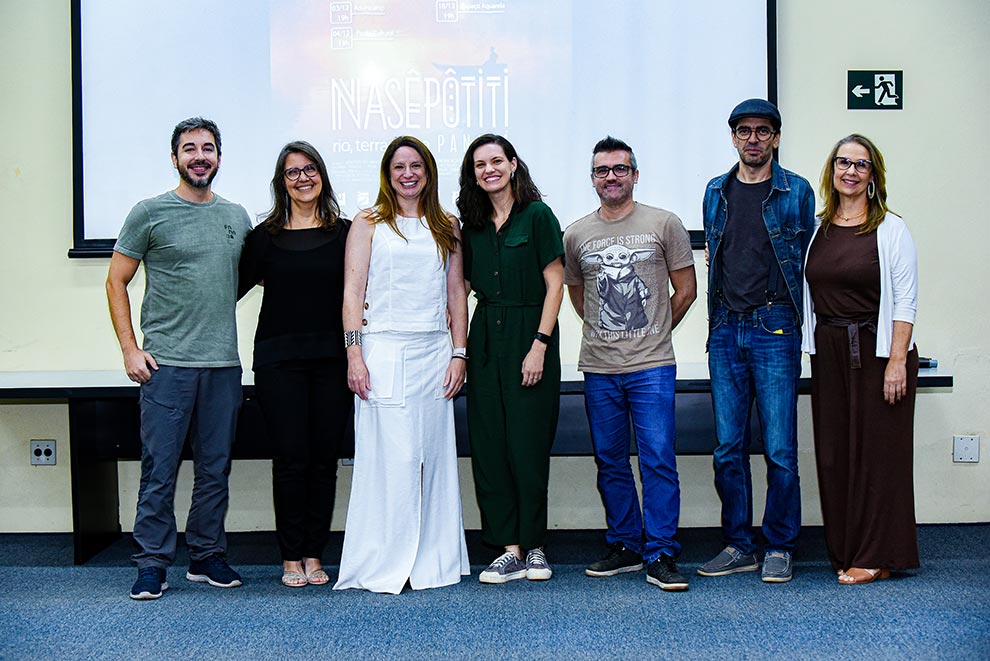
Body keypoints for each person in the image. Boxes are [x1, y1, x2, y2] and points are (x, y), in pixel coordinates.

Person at [106, 117, 251, 600]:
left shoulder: (237, 216)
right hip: (166, 366)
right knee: (159, 469)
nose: (199, 156)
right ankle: (152, 563)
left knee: (215, 469)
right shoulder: (149, 213)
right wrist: (130, 348)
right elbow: (115, 281)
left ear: (219, 157)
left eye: (208, 148)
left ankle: (206, 556)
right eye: (189, 149)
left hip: (223, 366)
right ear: (175, 158)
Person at [334, 136, 470, 594]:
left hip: (434, 353)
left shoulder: (447, 225)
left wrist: (459, 352)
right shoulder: (368, 222)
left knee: (430, 458)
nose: (408, 173)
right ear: (387, 174)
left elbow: (456, 295)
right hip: (381, 351)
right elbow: (353, 293)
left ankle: (432, 560)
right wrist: (354, 354)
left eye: (416, 166)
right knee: (389, 460)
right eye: (399, 167)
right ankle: (383, 560)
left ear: (428, 172)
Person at [563, 136, 696, 591]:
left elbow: (687, 289)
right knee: (611, 461)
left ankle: (660, 552)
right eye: (602, 170)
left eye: (620, 169)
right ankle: (625, 545)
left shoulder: (664, 224)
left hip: (652, 366)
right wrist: (608, 330)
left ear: (635, 175)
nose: (611, 177)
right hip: (599, 367)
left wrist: (655, 330)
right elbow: (578, 293)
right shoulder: (577, 233)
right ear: (593, 178)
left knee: (658, 460)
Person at [700, 99, 816, 583]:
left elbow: (810, 263)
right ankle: (738, 544)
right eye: (744, 131)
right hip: (726, 327)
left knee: (779, 448)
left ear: (776, 137)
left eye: (762, 131)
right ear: (733, 137)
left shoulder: (797, 191)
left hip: (775, 327)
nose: (753, 139)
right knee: (727, 447)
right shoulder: (715, 190)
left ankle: (780, 545)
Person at [802, 134, 919, 585]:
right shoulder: (817, 228)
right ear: (832, 171)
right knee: (834, 455)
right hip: (829, 353)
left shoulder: (891, 229)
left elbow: (905, 301)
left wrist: (896, 361)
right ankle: (848, 548)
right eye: (842, 163)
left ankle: (876, 555)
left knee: (877, 457)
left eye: (861, 165)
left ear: (873, 176)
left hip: (877, 353)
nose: (850, 171)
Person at [238, 141, 351, 588]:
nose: (303, 178)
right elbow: (227, 290)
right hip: (278, 362)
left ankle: (313, 553)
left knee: (324, 460)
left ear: (321, 175)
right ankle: (289, 558)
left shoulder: (345, 234)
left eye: (310, 170)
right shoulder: (263, 238)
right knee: (290, 459)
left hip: (333, 361)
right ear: (281, 182)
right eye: (292, 173)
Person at [456, 134, 564, 584]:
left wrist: (539, 343)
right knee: (489, 447)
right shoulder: (472, 224)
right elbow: (459, 291)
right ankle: (509, 549)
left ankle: (535, 546)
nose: (489, 170)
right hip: (485, 339)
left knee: (527, 445)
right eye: (480, 164)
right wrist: (458, 350)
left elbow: (555, 283)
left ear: (514, 164)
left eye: (496, 161)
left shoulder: (537, 215)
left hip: (529, 336)